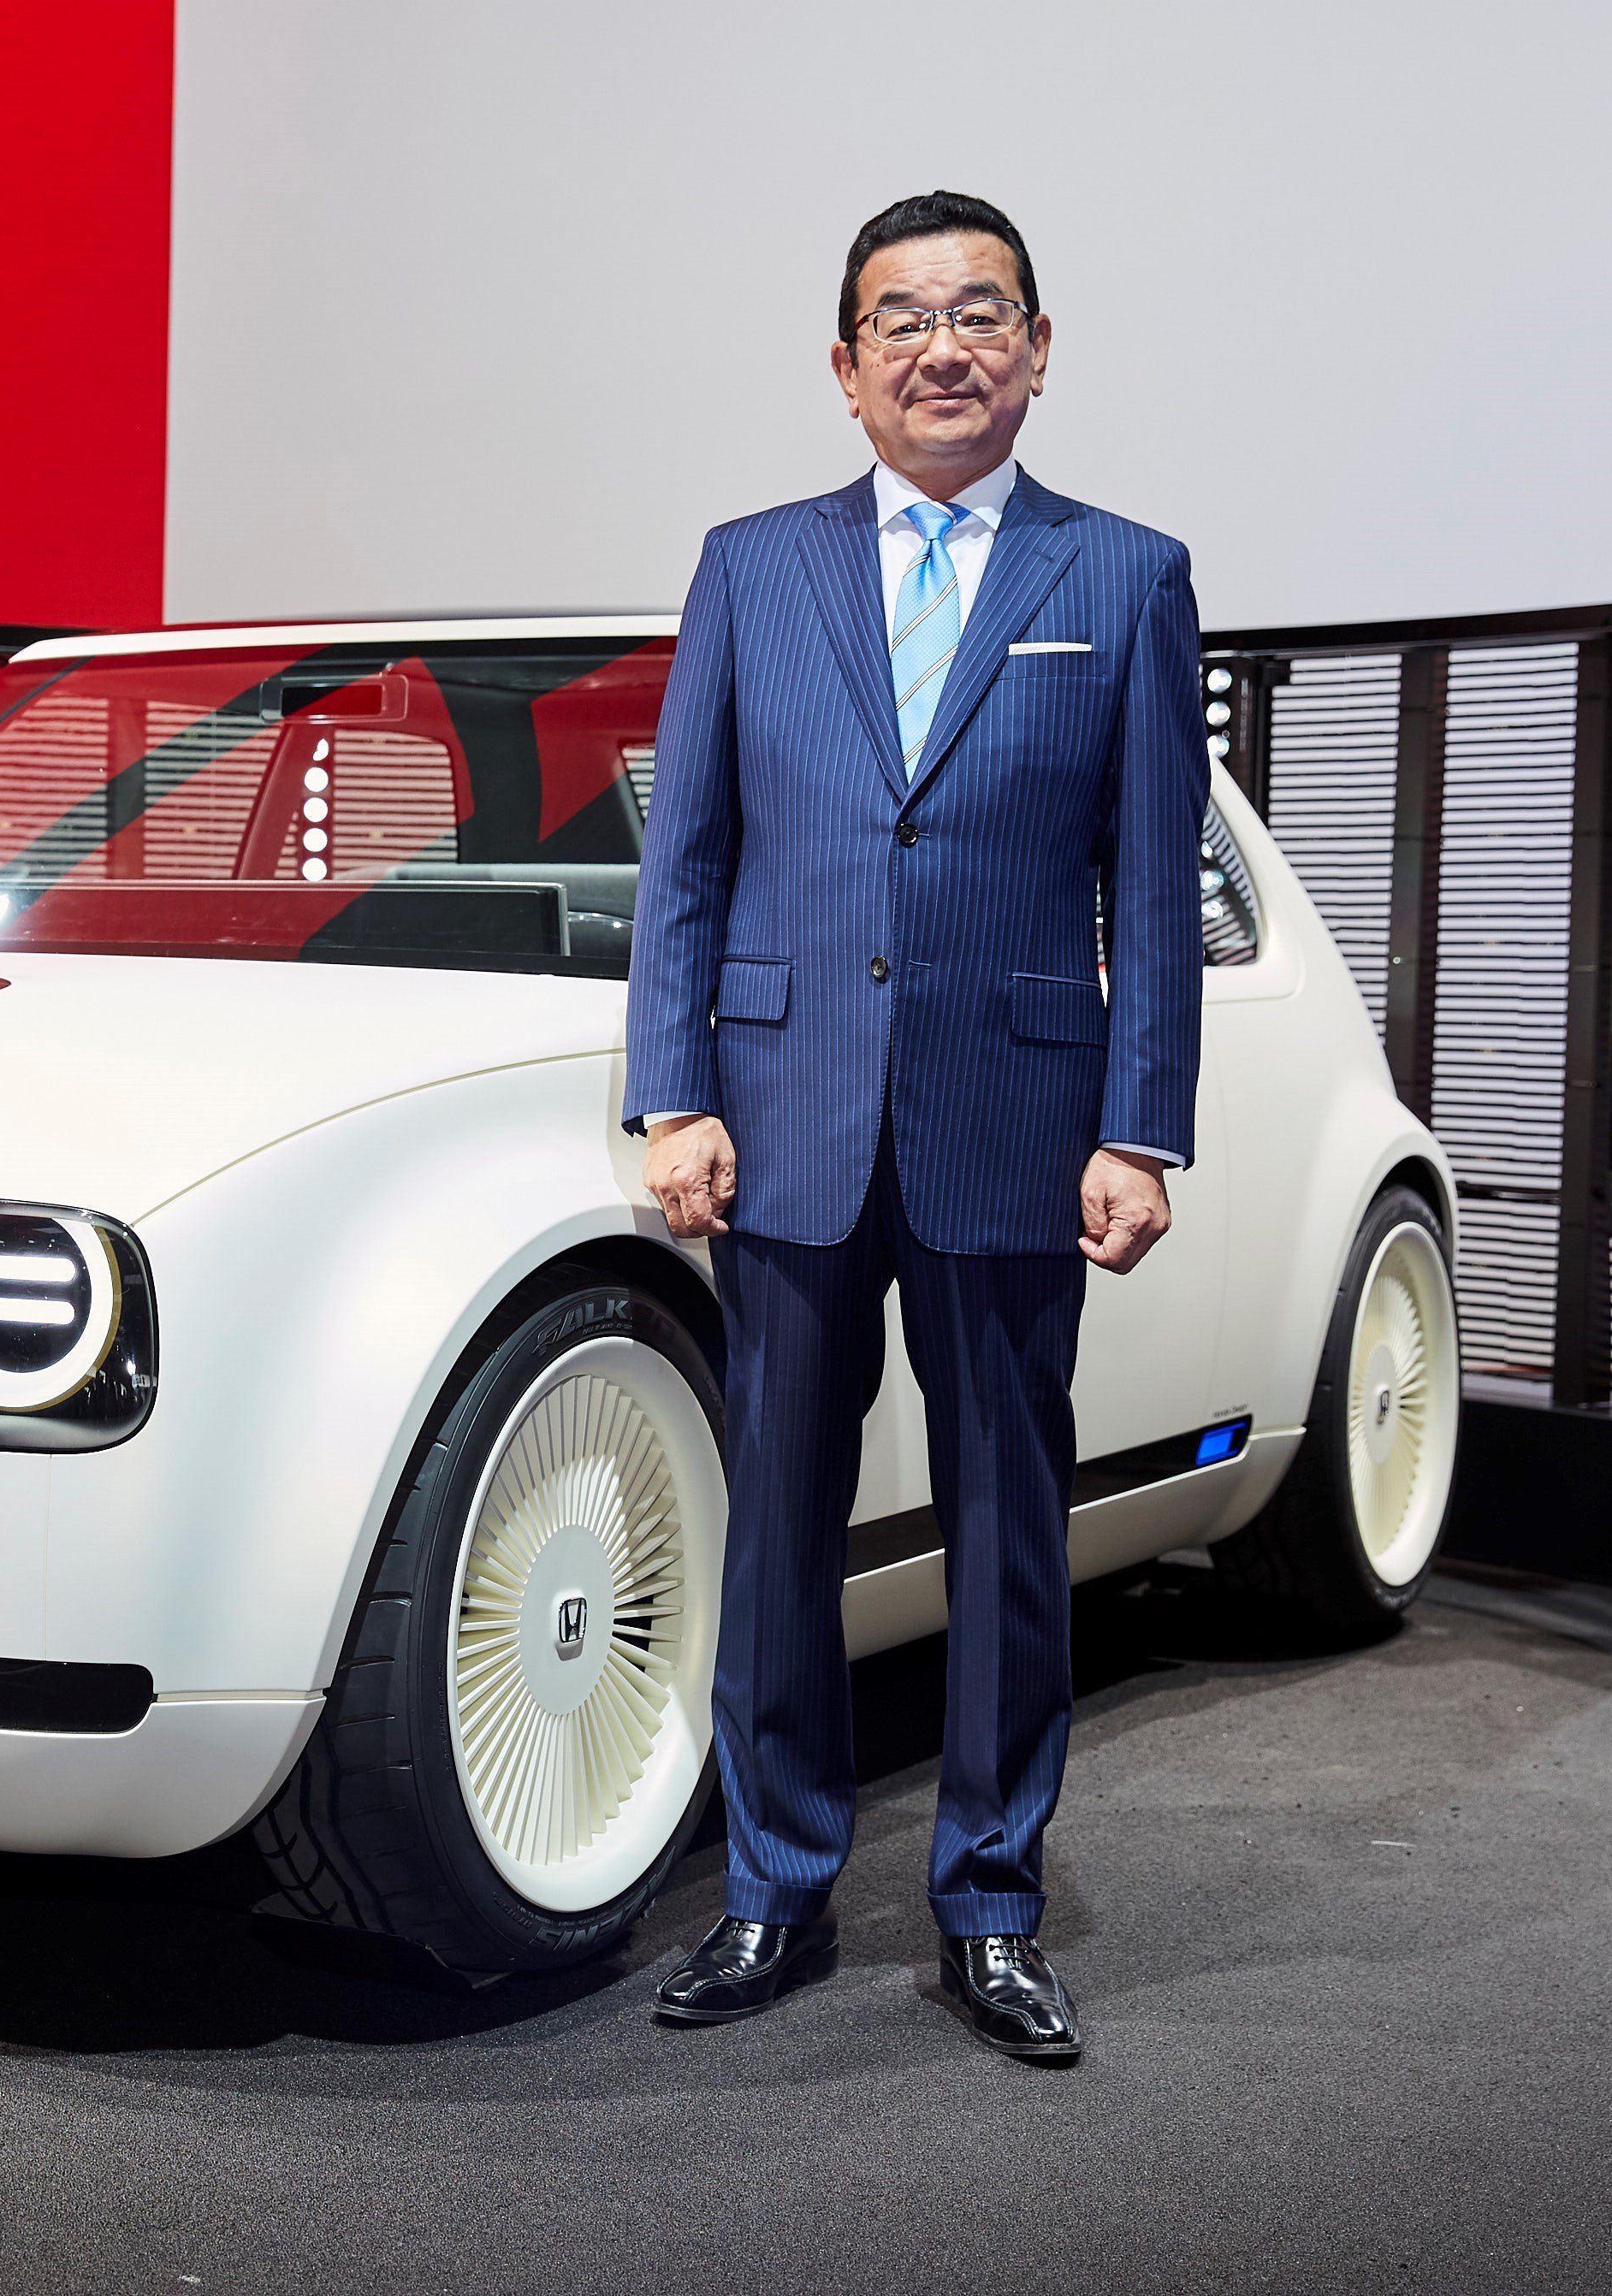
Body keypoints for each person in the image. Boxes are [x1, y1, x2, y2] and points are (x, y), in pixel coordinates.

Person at [622, 190, 1206, 2059]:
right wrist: (674, 1089)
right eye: (904, 319)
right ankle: (774, 1886)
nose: (943, 346)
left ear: (1037, 350)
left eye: (982, 314)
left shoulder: (1123, 578)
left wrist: (1143, 1130)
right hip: (782, 1117)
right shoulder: (749, 566)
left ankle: (992, 1897)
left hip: (1019, 1125)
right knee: (778, 1527)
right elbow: (686, 862)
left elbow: (1149, 876)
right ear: (846, 366)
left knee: (1010, 1529)